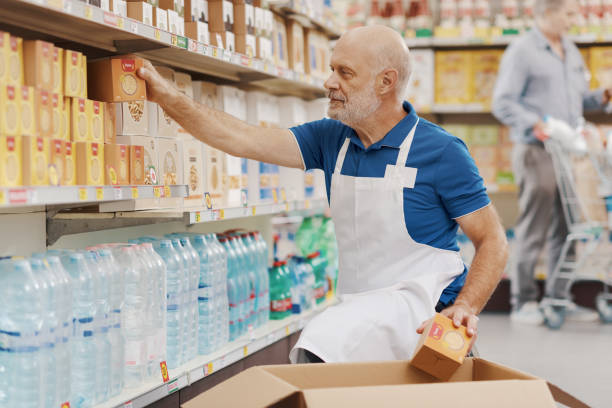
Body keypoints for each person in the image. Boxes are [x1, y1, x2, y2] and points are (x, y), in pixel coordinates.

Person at [137, 25, 508, 363]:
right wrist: (168, 97)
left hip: (426, 320)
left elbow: (491, 239)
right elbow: (241, 138)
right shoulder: (331, 139)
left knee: (321, 341)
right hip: (361, 310)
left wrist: (466, 307)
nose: (329, 82)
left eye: (344, 73)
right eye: (332, 69)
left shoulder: (442, 152)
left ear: (385, 82)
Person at [492, 0, 606, 325]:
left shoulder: (570, 50)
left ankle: (558, 297)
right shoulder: (522, 51)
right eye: (569, 14)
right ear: (547, 13)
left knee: (568, 226)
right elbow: (502, 102)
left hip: (568, 151)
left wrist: (601, 96)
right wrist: (534, 123)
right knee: (535, 225)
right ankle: (523, 301)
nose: (575, 20)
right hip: (536, 150)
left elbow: (577, 100)